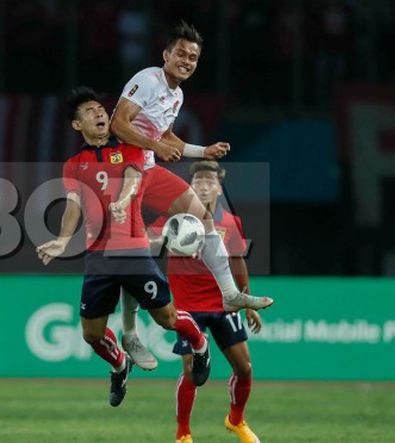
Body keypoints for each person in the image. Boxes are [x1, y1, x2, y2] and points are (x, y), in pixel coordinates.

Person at [109, 20, 273, 370]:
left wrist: (203, 151)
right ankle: (129, 333)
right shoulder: (148, 80)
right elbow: (118, 124)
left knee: (201, 214)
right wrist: (154, 145)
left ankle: (228, 294)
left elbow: (167, 137)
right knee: (133, 253)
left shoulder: (176, 94)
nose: (186, 60)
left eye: (193, 57)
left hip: (149, 169)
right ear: (165, 55)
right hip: (124, 170)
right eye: (181, 54)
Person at [36, 87, 212, 406]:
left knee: (167, 319)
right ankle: (119, 363)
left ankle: (200, 345)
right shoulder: (74, 165)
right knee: (91, 334)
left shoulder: (129, 148)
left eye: (101, 109)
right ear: (77, 126)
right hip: (98, 256)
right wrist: (63, 240)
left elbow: (132, 177)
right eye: (90, 111)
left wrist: (124, 198)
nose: (100, 113)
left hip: (133, 250)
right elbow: (73, 205)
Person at [149, 161, 263, 443]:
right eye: (197, 180)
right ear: (191, 186)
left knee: (245, 367)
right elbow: (148, 240)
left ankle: (236, 419)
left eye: (209, 181)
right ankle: (183, 434)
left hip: (223, 305)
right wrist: (157, 239)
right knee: (191, 370)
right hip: (188, 307)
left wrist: (248, 302)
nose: (202, 185)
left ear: (218, 187)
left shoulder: (230, 221)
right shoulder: (175, 215)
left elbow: (238, 261)